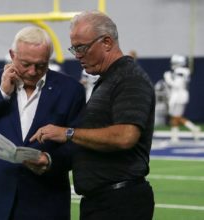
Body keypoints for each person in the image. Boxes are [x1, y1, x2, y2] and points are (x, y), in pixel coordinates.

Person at [31, 11, 155, 219]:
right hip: (103, 200)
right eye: (74, 48)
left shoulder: (129, 78)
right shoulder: (108, 79)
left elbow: (125, 136)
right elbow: (91, 144)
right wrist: (50, 160)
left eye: (82, 47)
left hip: (120, 202)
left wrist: (68, 133)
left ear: (107, 42)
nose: (77, 55)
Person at [0, 26, 85, 220]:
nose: (33, 71)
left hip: (47, 201)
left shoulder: (71, 90)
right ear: (12, 55)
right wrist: (1, 94)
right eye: (25, 64)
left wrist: (50, 160)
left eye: (41, 65)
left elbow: (80, 143)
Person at [163, 54, 201, 142]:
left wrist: (168, 78)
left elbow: (176, 84)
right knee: (174, 116)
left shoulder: (180, 71)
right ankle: (174, 137)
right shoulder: (183, 71)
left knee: (177, 117)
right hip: (180, 94)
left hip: (178, 95)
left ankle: (194, 128)